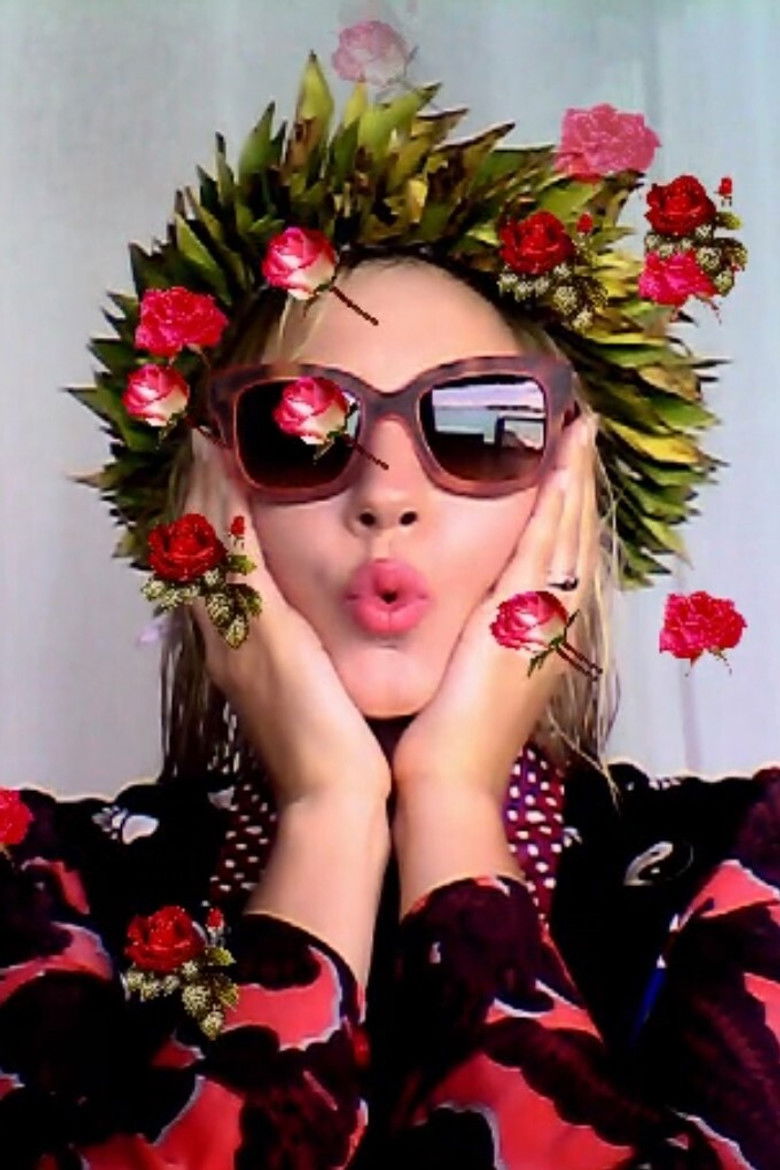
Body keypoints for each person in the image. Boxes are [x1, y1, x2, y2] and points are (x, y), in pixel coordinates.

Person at [1, 55, 777, 1170]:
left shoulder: (746, 870)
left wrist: (453, 806)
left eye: (481, 424)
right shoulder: (36, 882)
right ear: (208, 506)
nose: (385, 494)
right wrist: (326, 815)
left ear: (572, 496)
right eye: (298, 429)